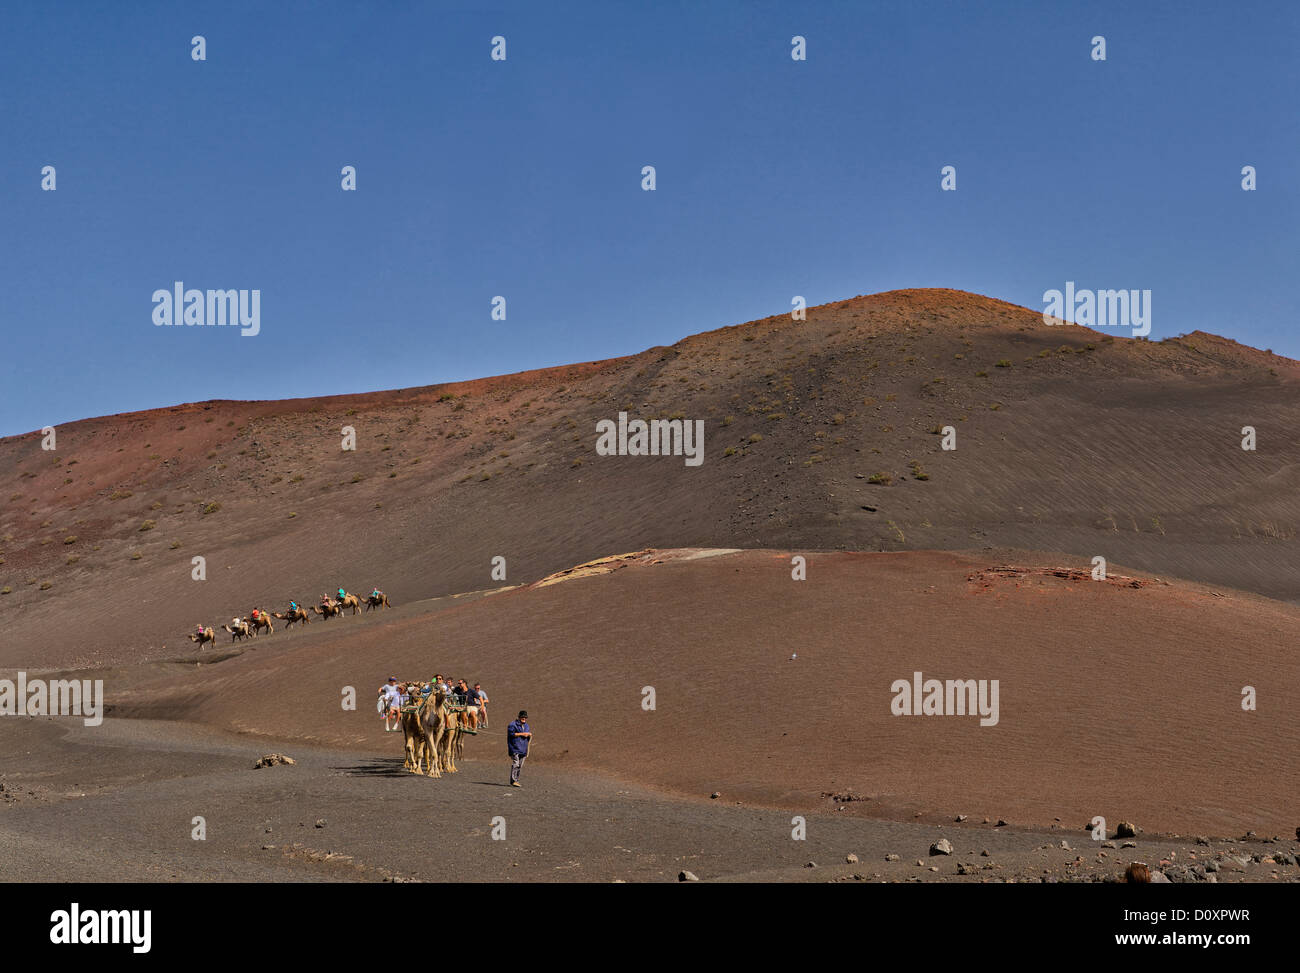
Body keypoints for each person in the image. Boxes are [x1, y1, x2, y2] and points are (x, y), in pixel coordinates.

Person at [507, 710, 531, 787]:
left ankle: (516, 780)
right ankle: (513, 780)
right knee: (516, 764)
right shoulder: (512, 725)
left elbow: (526, 734)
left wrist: (528, 735)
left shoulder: (527, 726)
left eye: (525, 717)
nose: (524, 718)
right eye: (522, 717)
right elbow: (511, 734)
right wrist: (522, 734)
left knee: (520, 765)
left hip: (523, 749)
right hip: (515, 748)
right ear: (519, 717)